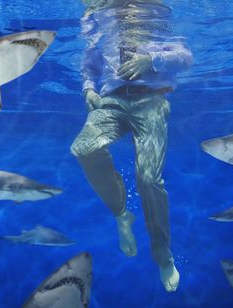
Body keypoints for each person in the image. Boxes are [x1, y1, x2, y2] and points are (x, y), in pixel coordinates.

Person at [71, 0, 193, 292]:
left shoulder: (157, 14)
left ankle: (163, 256)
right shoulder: (98, 14)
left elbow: (185, 57)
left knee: (148, 178)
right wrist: (88, 86)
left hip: (151, 99)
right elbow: (92, 56)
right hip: (111, 100)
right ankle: (121, 213)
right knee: (84, 148)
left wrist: (150, 60)